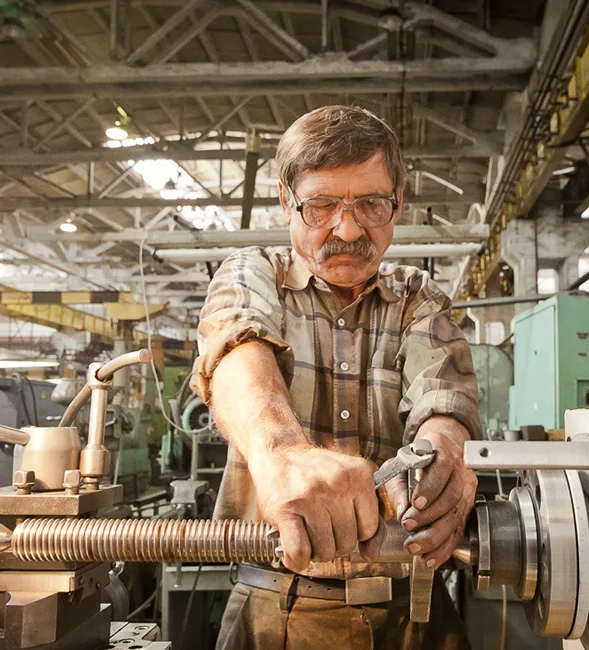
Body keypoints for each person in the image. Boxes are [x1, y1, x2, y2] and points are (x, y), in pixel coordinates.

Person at [190, 105, 481, 649]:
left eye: (371, 204)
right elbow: (235, 348)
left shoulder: (420, 297)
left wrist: (446, 458)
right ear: (286, 202)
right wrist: (281, 450)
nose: (347, 230)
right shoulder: (254, 273)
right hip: (275, 605)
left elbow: (444, 399)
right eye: (321, 205)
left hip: (409, 605)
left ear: (399, 202)